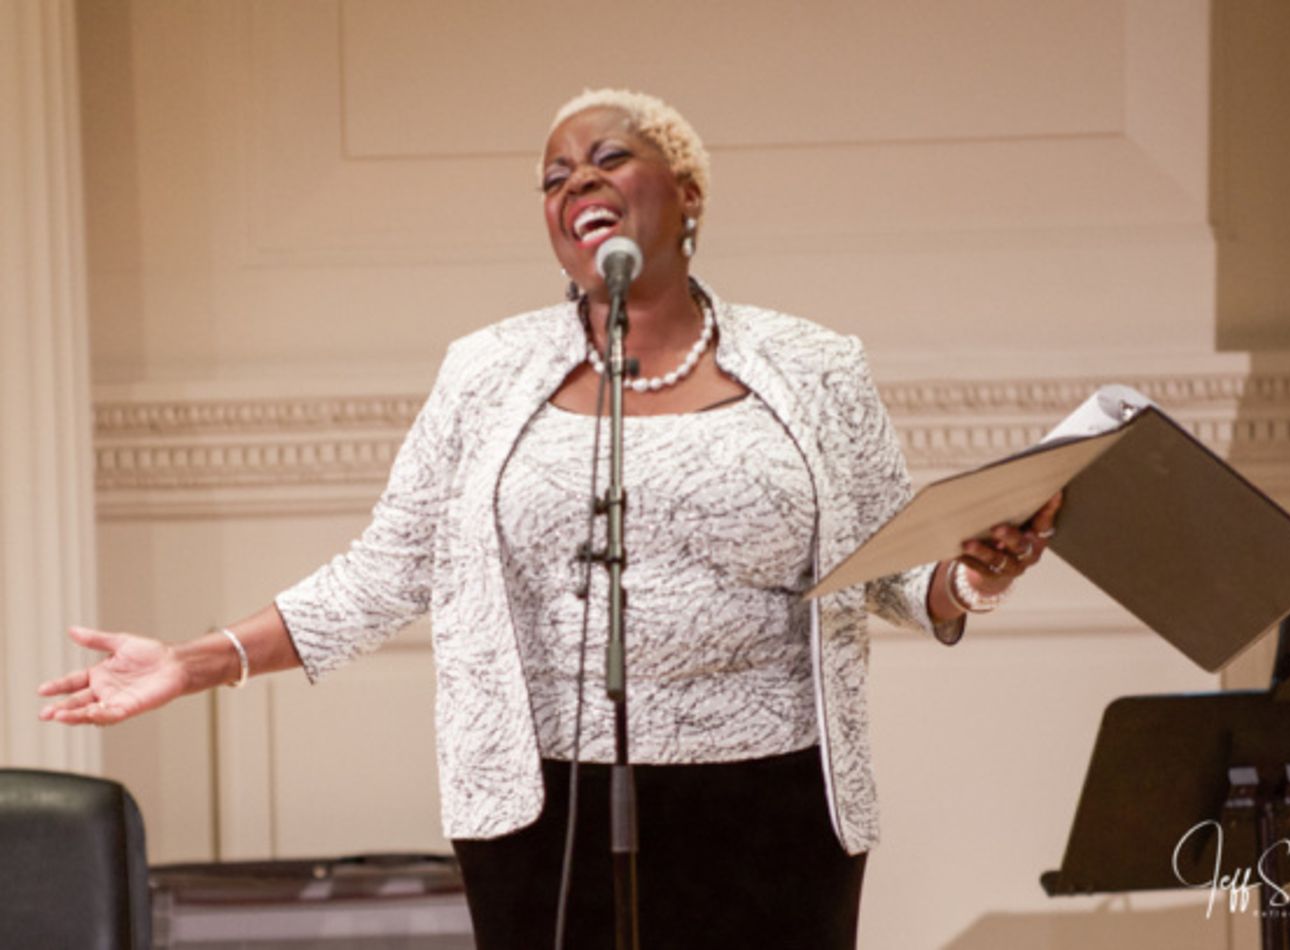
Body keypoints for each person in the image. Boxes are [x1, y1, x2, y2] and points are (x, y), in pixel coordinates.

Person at [39, 88, 1061, 949]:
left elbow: (887, 569)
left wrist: (974, 571)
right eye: (554, 174)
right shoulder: (485, 371)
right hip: (547, 807)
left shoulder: (814, 363)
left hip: (775, 806)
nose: (576, 181)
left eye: (609, 158)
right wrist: (196, 658)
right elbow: (389, 566)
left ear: (689, 193)